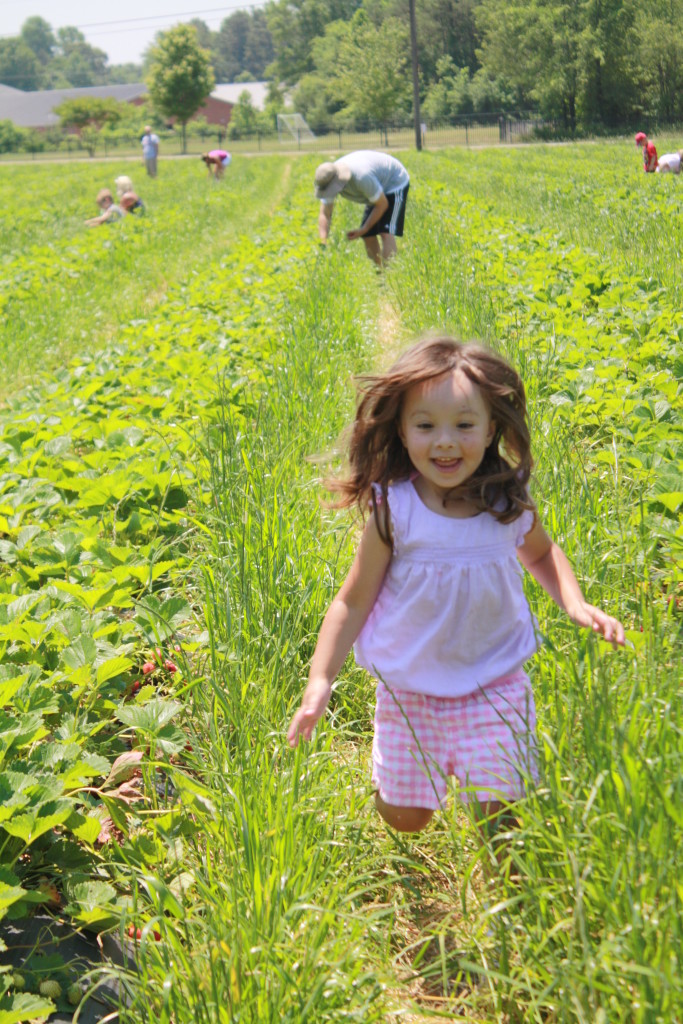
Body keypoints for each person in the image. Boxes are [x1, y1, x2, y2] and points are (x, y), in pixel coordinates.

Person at [288, 336, 625, 843]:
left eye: (464, 425)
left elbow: (540, 553)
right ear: (401, 431)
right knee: (408, 818)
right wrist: (321, 680)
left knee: (498, 814)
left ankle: (503, 867)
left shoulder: (505, 503)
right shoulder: (395, 511)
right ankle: (403, 780)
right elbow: (352, 600)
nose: (445, 442)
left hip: (493, 680)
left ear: (492, 428)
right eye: (426, 426)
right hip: (411, 689)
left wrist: (574, 603)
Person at [314, 151, 410, 267]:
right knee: (368, 235)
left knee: (386, 231)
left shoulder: (361, 177)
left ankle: (390, 276)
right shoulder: (327, 178)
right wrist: (323, 241)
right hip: (375, 187)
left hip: (393, 182)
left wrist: (364, 228)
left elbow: (382, 204)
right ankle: (380, 273)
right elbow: (325, 213)